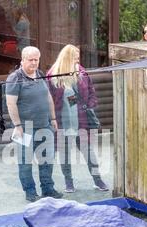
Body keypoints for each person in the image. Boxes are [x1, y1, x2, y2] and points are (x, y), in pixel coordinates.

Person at [47, 44, 109, 193]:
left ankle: (98, 180)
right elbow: (48, 98)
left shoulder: (81, 71)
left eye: (78, 57)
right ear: (67, 57)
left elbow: (91, 91)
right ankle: (69, 182)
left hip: (81, 120)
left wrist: (89, 106)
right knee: (65, 152)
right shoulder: (53, 75)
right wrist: (52, 118)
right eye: (75, 57)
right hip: (62, 120)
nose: (77, 59)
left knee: (88, 152)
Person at [6, 46, 63, 202]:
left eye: (36, 60)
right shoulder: (14, 78)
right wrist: (17, 125)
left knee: (47, 160)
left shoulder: (40, 74)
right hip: (25, 128)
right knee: (25, 163)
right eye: (30, 60)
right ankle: (30, 192)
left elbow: (48, 97)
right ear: (22, 60)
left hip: (45, 125)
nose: (33, 63)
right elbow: (11, 104)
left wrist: (53, 119)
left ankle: (48, 189)